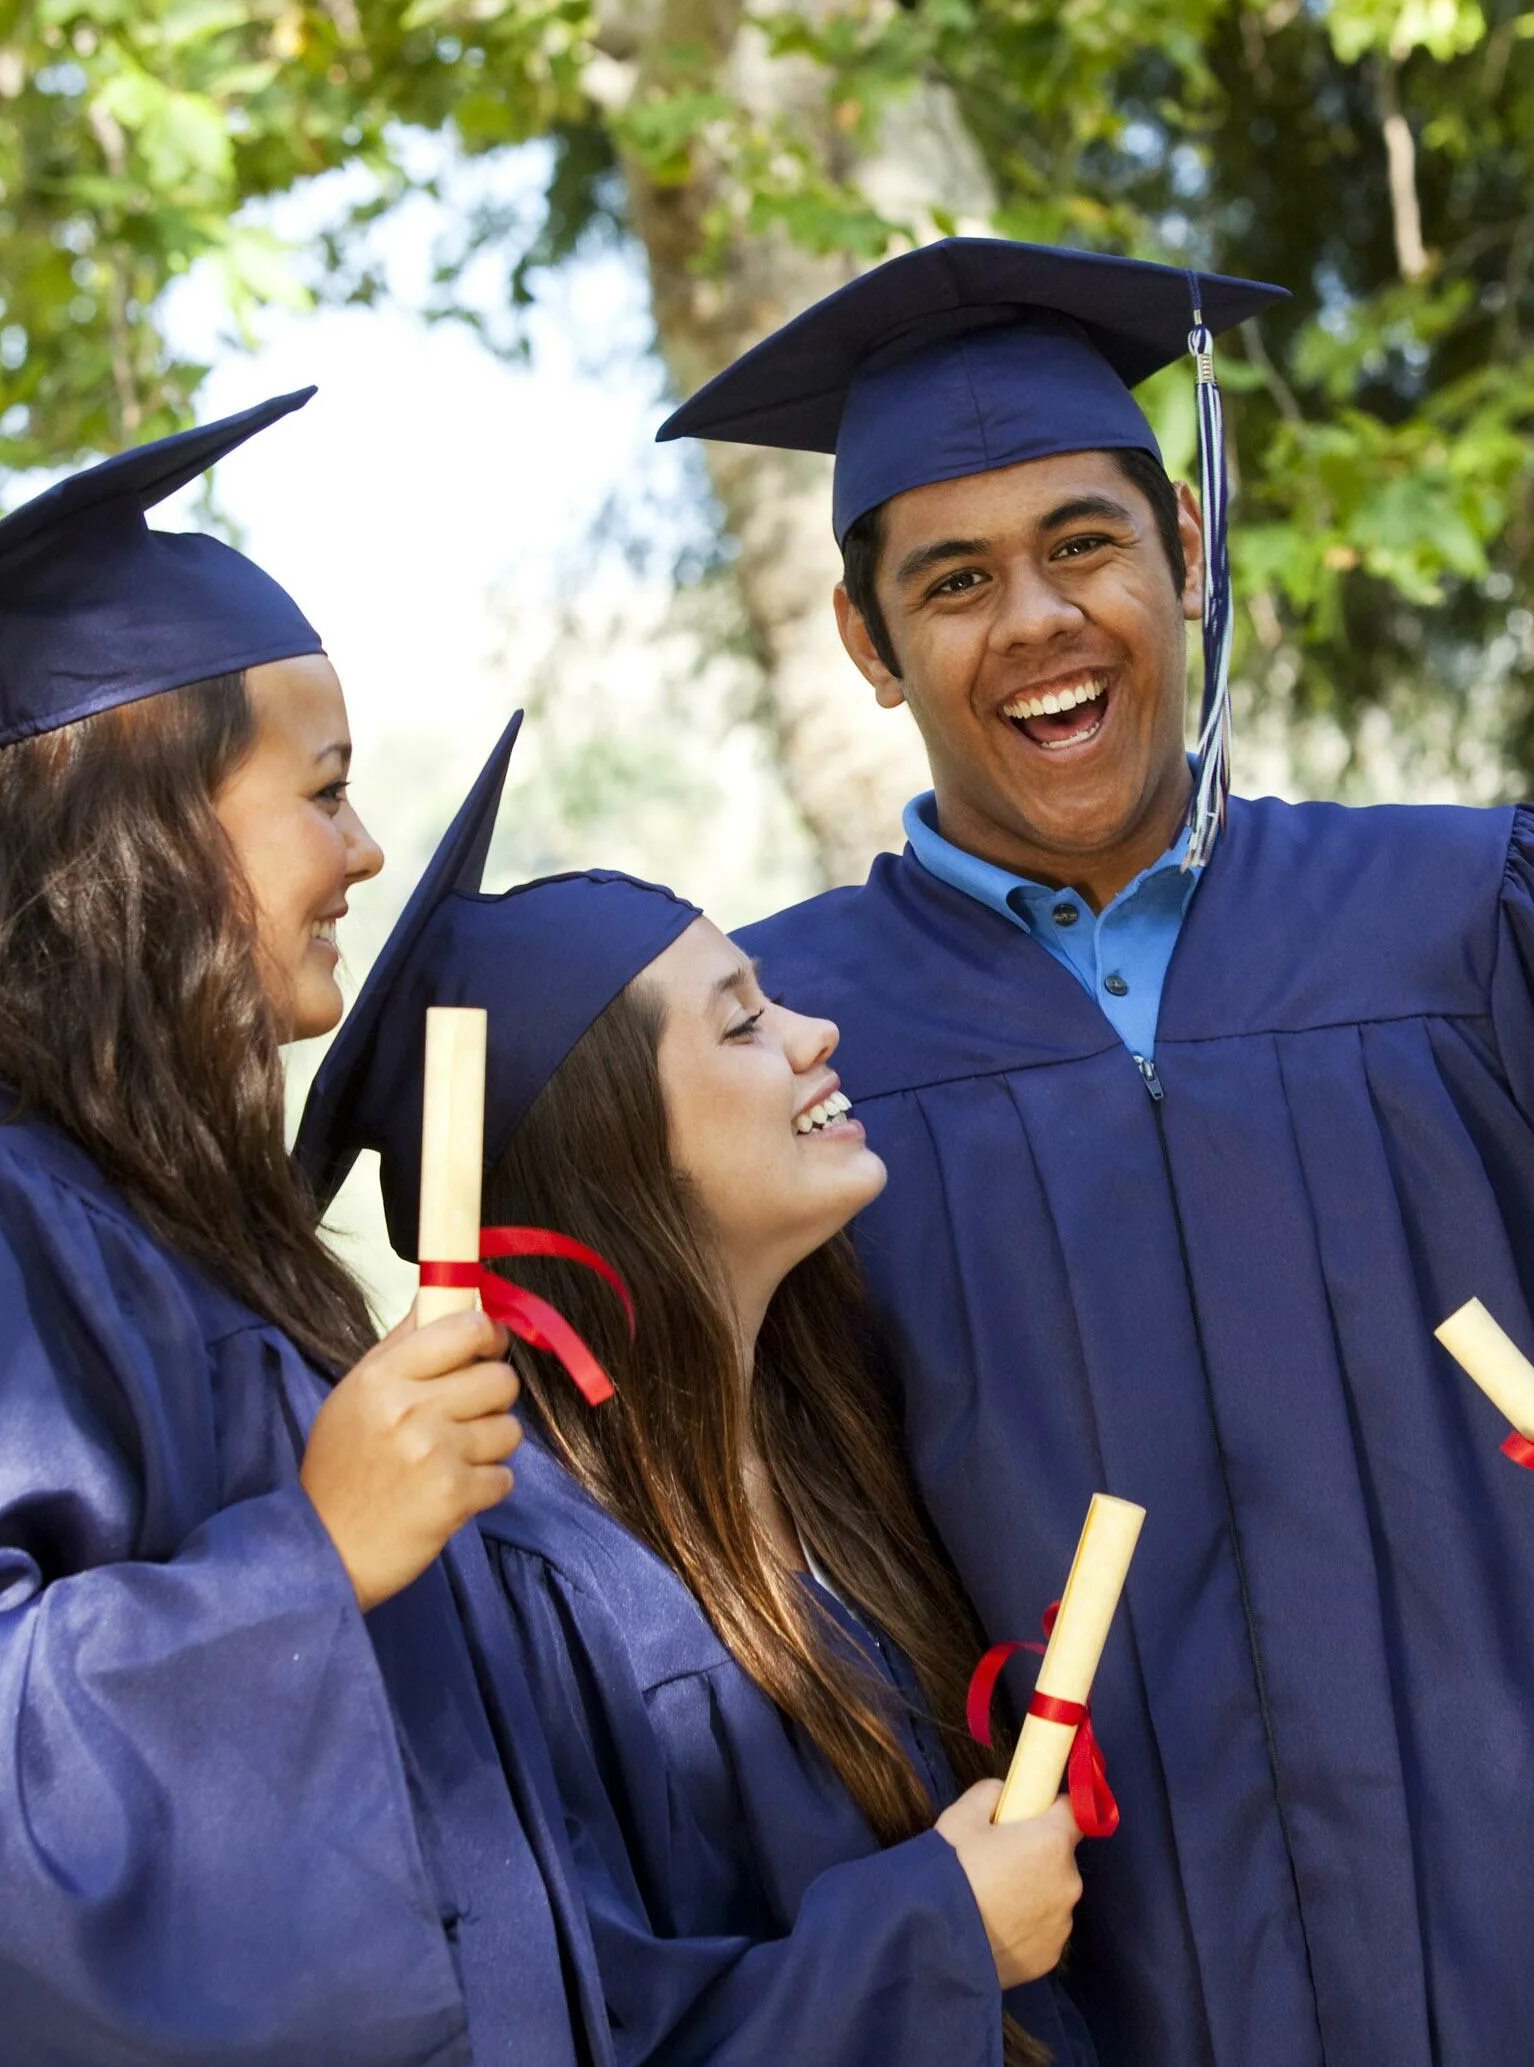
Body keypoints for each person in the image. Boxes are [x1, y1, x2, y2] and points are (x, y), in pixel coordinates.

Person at [665, 239, 1534, 2064]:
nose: (1035, 618)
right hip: (1105, 1992)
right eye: (953, 581)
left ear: (1186, 545)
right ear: (865, 641)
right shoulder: (783, 1050)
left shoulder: (1481, 923)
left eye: (1083, 544)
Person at [0, 394, 604, 2064]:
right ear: (150, 831)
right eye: (322, 790)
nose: (364, 848)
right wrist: (312, 1555)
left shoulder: (129, 1208)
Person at [293, 712, 1096, 2066]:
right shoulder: (509, 1580)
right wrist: (939, 1938)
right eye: (742, 1027)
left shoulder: (827, 1454)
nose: (814, 1033)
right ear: (613, 1150)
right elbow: (569, 2030)